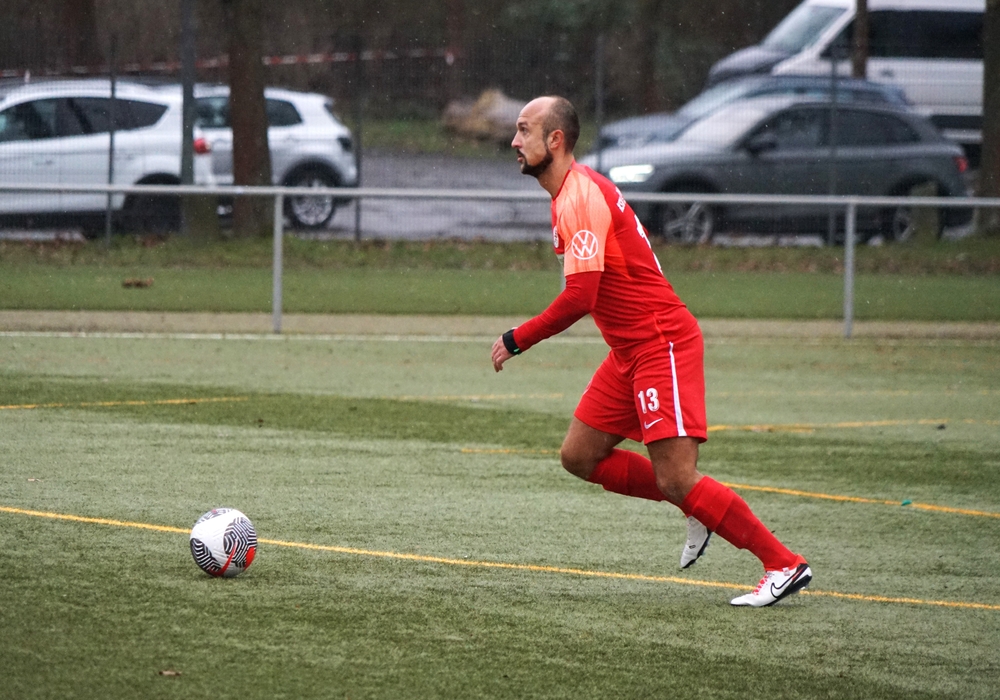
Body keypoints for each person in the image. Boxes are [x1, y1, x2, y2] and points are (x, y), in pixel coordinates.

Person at [491, 95, 812, 607]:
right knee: (580, 456)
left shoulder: (580, 197)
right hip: (629, 351)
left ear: (555, 139)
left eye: (524, 130)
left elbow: (580, 297)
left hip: (661, 342)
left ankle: (783, 564)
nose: (514, 140)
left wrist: (517, 337)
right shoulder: (570, 193)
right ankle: (694, 508)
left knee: (678, 476)